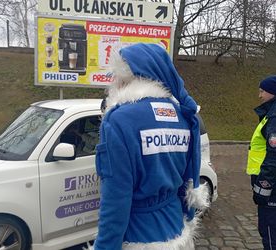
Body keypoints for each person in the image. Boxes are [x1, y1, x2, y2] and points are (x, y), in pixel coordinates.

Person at [89, 43, 209, 250]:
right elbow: (186, 181)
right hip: (177, 230)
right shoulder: (182, 115)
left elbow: (116, 200)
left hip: (138, 236)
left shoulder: (119, 120)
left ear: (125, 74)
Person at [246, 75, 276, 250]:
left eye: (262, 91)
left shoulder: (275, 116)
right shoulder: (271, 113)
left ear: (273, 92)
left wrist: (263, 187)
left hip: (272, 188)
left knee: (270, 233)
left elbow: (274, 156)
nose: (259, 95)